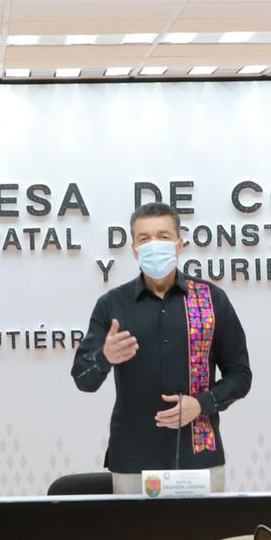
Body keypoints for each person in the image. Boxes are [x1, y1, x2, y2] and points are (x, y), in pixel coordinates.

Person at [71, 201, 252, 494]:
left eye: (163, 236)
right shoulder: (113, 304)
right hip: (133, 460)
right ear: (134, 249)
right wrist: (105, 357)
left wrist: (202, 404)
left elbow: (241, 376)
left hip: (200, 458)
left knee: (205, 539)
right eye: (144, 238)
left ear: (180, 244)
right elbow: (83, 379)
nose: (154, 244)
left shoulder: (211, 300)